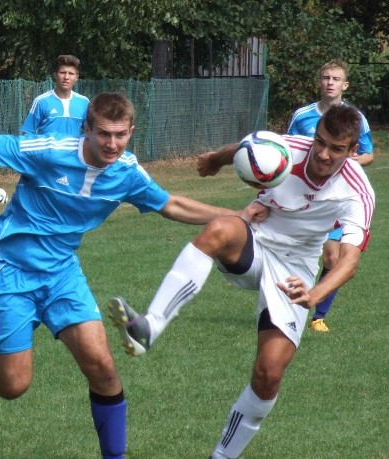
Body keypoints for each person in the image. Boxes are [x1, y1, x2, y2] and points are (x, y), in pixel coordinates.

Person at [0, 92, 260, 458]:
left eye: (120, 135)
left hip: (61, 274)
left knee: (103, 367)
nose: (112, 144)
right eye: (104, 134)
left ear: (131, 132)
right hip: (9, 272)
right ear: (86, 130)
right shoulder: (51, 151)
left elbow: (170, 204)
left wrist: (235, 217)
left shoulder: (126, 172)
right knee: (13, 384)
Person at [108, 105, 374, 459]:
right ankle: (150, 327)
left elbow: (349, 260)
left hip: (294, 273)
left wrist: (315, 294)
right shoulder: (287, 146)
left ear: (352, 151)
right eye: (320, 142)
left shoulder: (357, 191)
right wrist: (216, 160)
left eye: (336, 149)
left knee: (268, 374)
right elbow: (248, 147)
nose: (323, 154)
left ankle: (223, 456)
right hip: (254, 239)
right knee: (218, 228)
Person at [288, 59, 373, 332]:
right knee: (312, 253)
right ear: (319, 82)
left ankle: (318, 315)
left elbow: (368, 153)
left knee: (333, 258)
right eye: (325, 78)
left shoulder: (356, 120)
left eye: (335, 79)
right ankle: (289, 301)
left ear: (344, 85)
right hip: (306, 198)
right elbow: (285, 153)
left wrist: (345, 164)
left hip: (340, 197)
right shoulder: (302, 116)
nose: (329, 83)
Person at [21, 54, 89, 136]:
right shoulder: (41, 101)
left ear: (76, 78)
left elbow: (90, 132)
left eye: (71, 73)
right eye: (62, 72)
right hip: (47, 149)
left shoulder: (84, 102)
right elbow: (28, 132)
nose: (66, 77)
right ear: (55, 75)